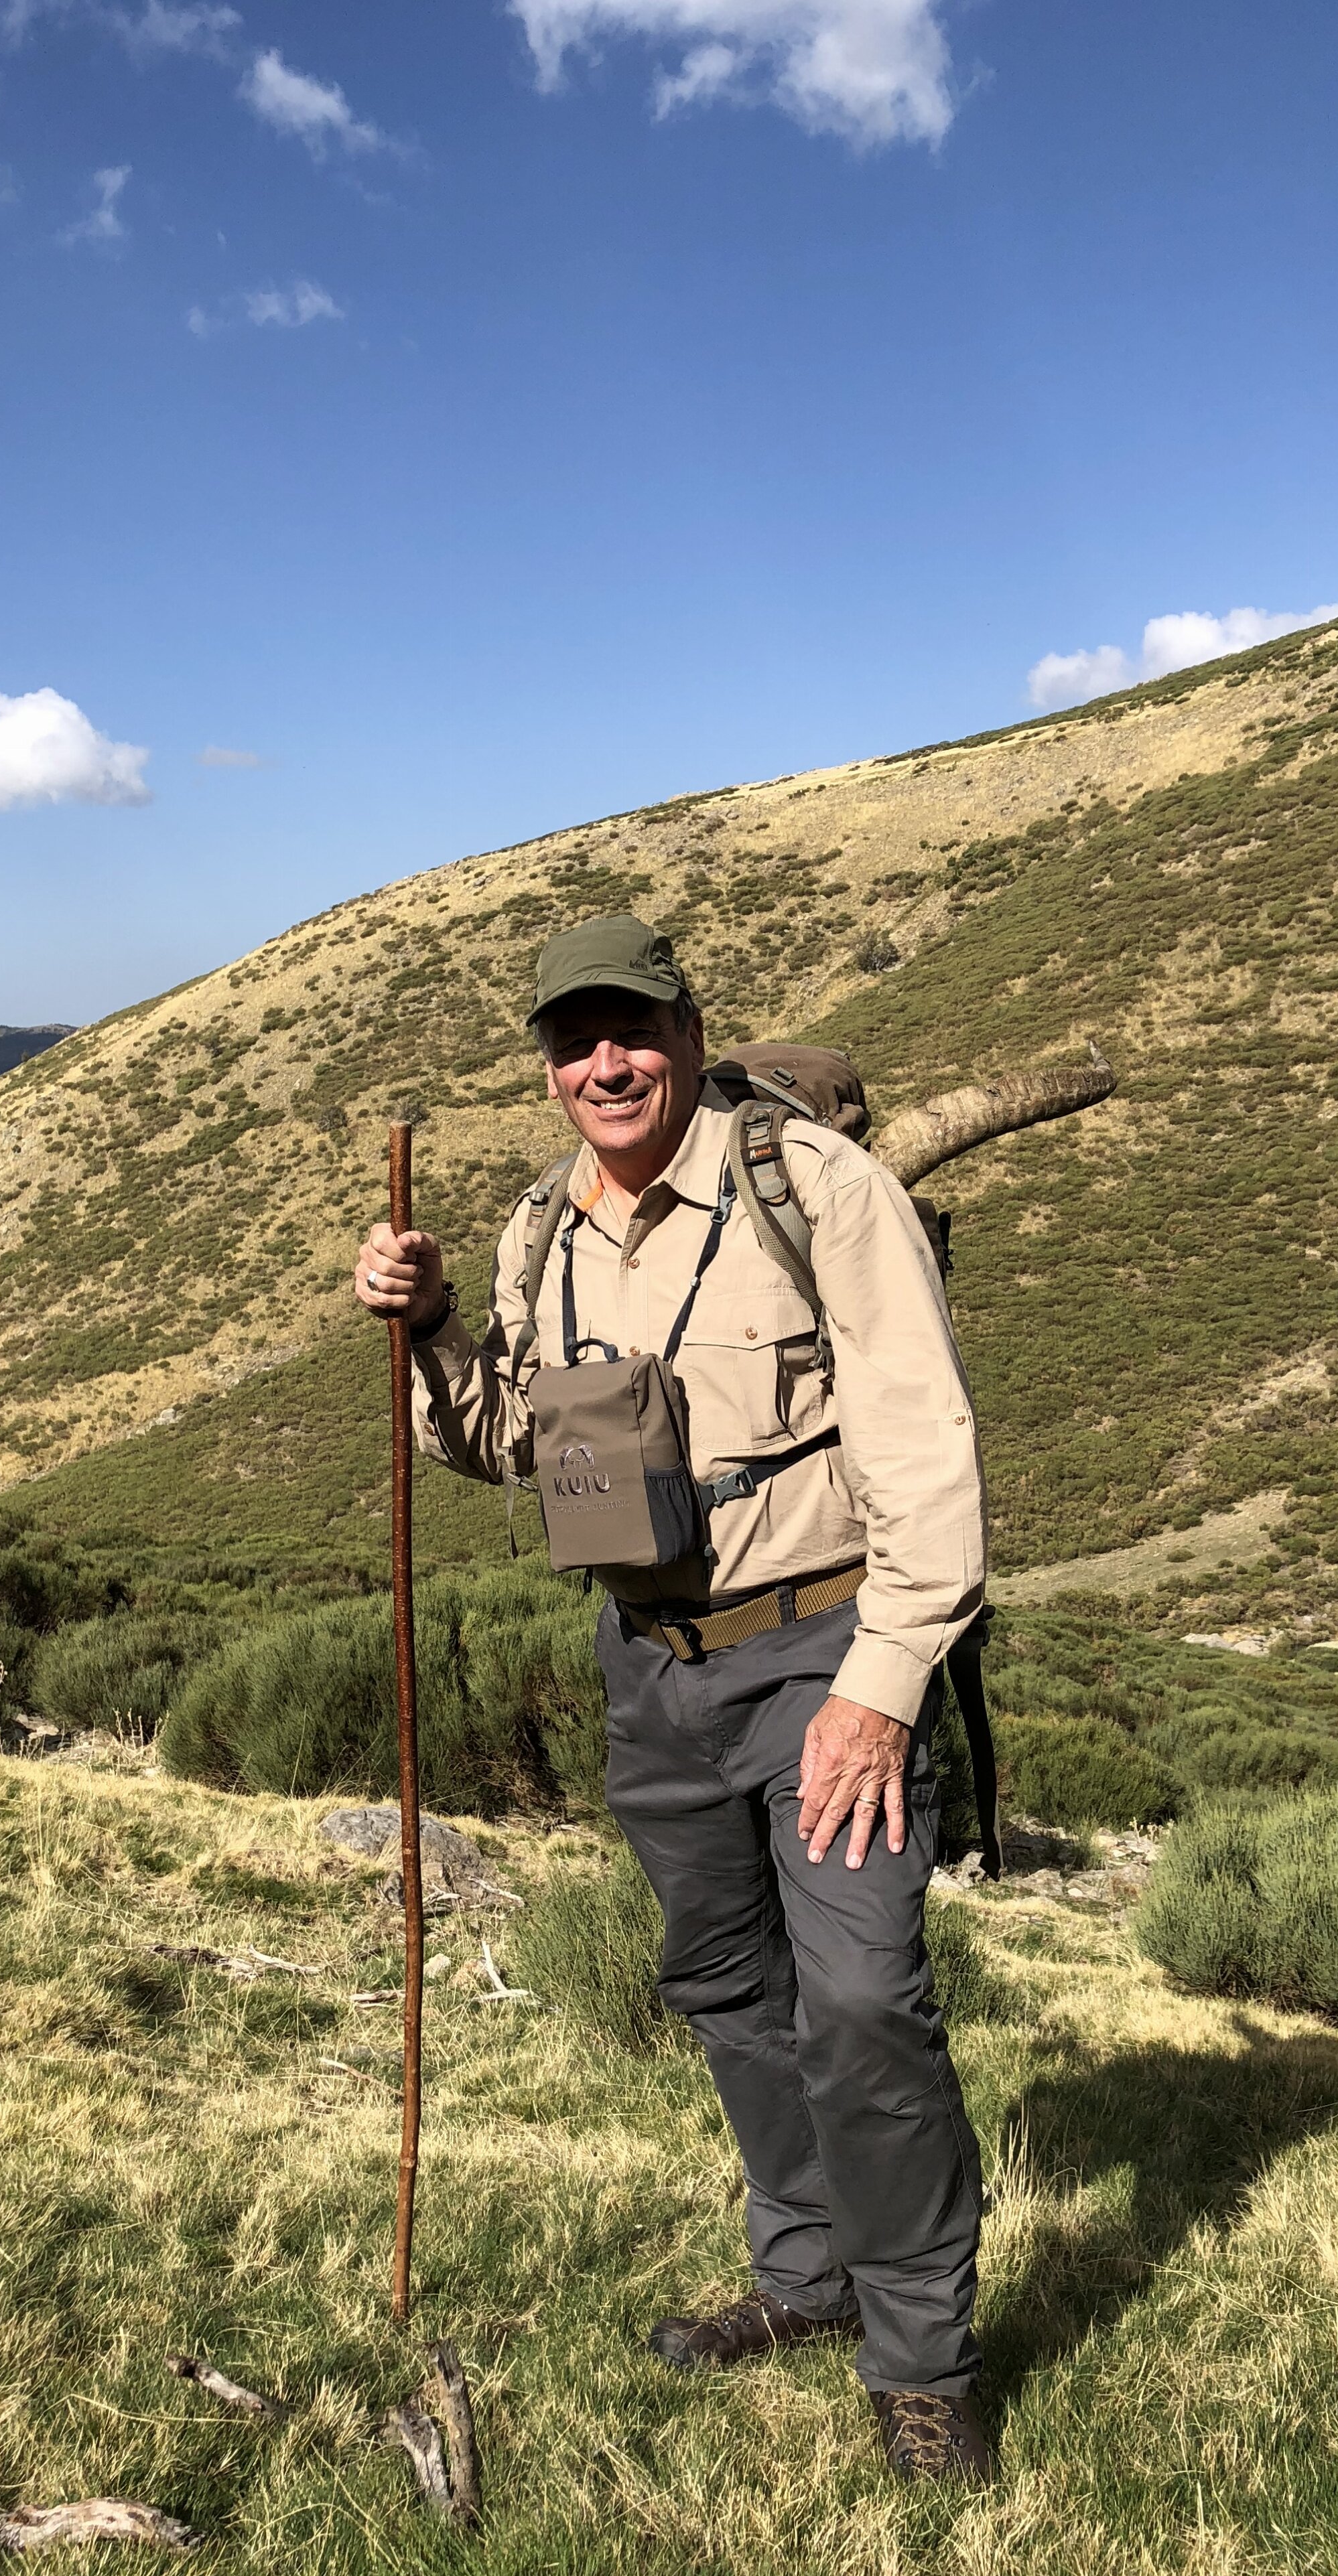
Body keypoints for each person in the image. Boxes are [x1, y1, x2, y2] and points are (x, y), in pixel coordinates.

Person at [354, 912, 993, 2486]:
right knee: (727, 1994)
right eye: (573, 1042)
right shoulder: (539, 1231)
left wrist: (885, 1685)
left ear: (691, 1032)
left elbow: (925, 1444)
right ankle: (808, 2280)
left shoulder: (821, 1194)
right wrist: (432, 1325)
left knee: (862, 2002)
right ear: (552, 1067)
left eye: (631, 1029)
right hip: (651, 1671)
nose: (606, 1064)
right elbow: (510, 1442)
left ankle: (924, 2367)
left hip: (826, 1654)